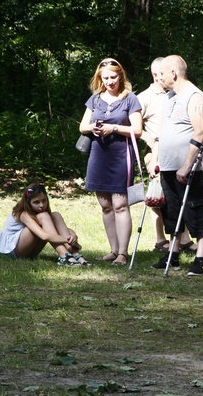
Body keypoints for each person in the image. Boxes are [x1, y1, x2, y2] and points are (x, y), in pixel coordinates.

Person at [150, 55, 203, 276]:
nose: (160, 78)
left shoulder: (195, 96)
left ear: (173, 73)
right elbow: (162, 131)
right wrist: (155, 158)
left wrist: (187, 166)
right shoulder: (170, 96)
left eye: (163, 74)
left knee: (194, 208)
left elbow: (201, 132)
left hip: (187, 167)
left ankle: (201, 257)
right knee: (172, 210)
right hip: (167, 166)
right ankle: (173, 254)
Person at [79, 58, 142, 266]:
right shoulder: (95, 99)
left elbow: (138, 130)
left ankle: (123, 253)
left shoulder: (130, 99)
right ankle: (113, 250)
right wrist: (94, 128)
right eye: (105, 78)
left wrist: (114, 128)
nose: (109, 81)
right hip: (99, 155)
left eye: (113, 77)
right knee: (105, 205)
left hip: (121, 156)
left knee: (120, 204)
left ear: (121, 76)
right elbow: (82, 127)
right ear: (100, 78)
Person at [138, 57, 196, 254]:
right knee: (160, 197)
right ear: (156, 75)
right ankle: (161, 239)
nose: (164, 77)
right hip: (155, 154)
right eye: (161, 74)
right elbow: (136, 128)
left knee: (177, 196)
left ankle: (182, 238)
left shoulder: (177, 93)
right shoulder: (144, 97)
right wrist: (152, 141)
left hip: (176, 154)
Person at [0, 183, 90, 265]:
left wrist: (72, 235)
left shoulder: (41, 212)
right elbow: (44, 236)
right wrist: (67, 239)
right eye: (36, 202)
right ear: (28, 203)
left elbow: (56, 229)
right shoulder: (23, 213)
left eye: (44, 200)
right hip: (12, 249)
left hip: (29, 249)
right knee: (43, 216)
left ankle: (74, 254)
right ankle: (64, 255)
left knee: (56, 215)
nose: (41, 205)